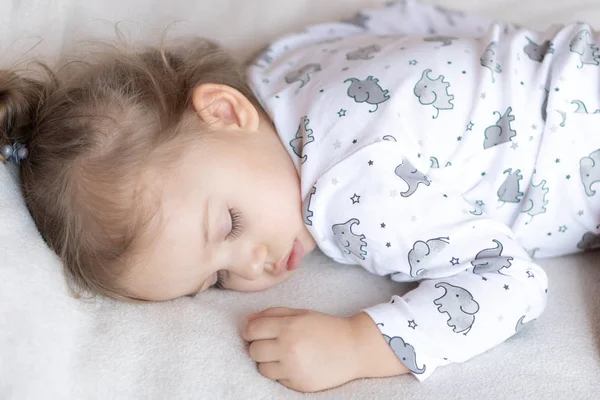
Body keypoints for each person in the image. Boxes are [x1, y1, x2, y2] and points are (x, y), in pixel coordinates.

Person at [1, 0, 598, 393]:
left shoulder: (350, 197)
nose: (254, 265)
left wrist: (362, 344)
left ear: (224, 110)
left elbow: (510, 283)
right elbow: (416, 18)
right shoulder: (286, 62)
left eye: (229, 225)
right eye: (216, 280)